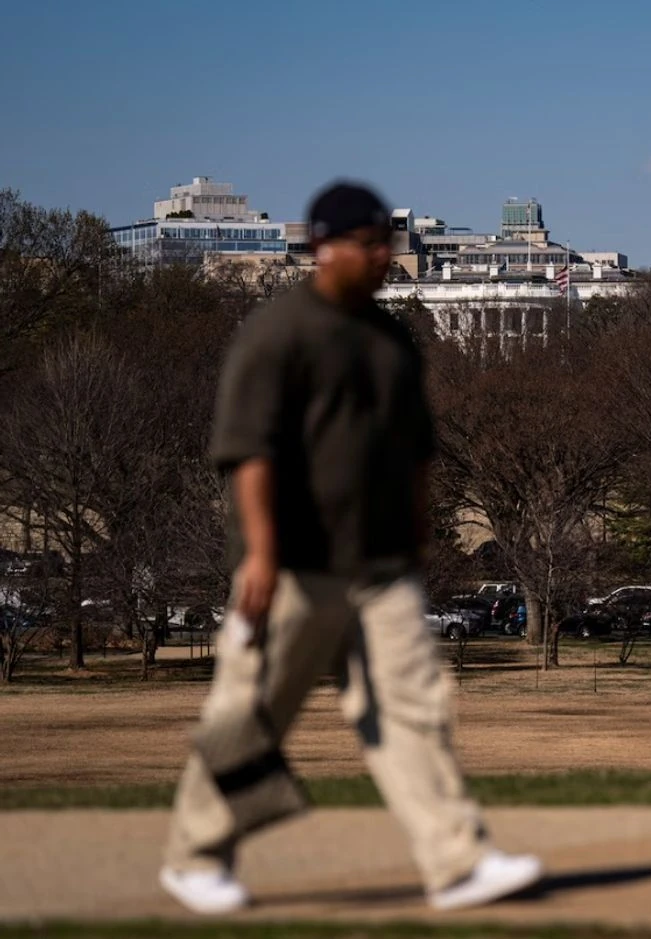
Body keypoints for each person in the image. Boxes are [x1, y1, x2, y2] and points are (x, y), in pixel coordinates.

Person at [159, 182, 542, 915]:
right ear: (323, 249)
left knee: (413, 710)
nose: (381, 256)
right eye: (367, 244)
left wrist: (419, 528)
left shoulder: (392, 336)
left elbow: (418, 444)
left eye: (385, 243)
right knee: (252, 710)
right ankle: (195, 856)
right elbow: (249, 454)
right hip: (295, 559)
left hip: (380, 562)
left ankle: (456, 859)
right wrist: (262, 556)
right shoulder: (278, 334)